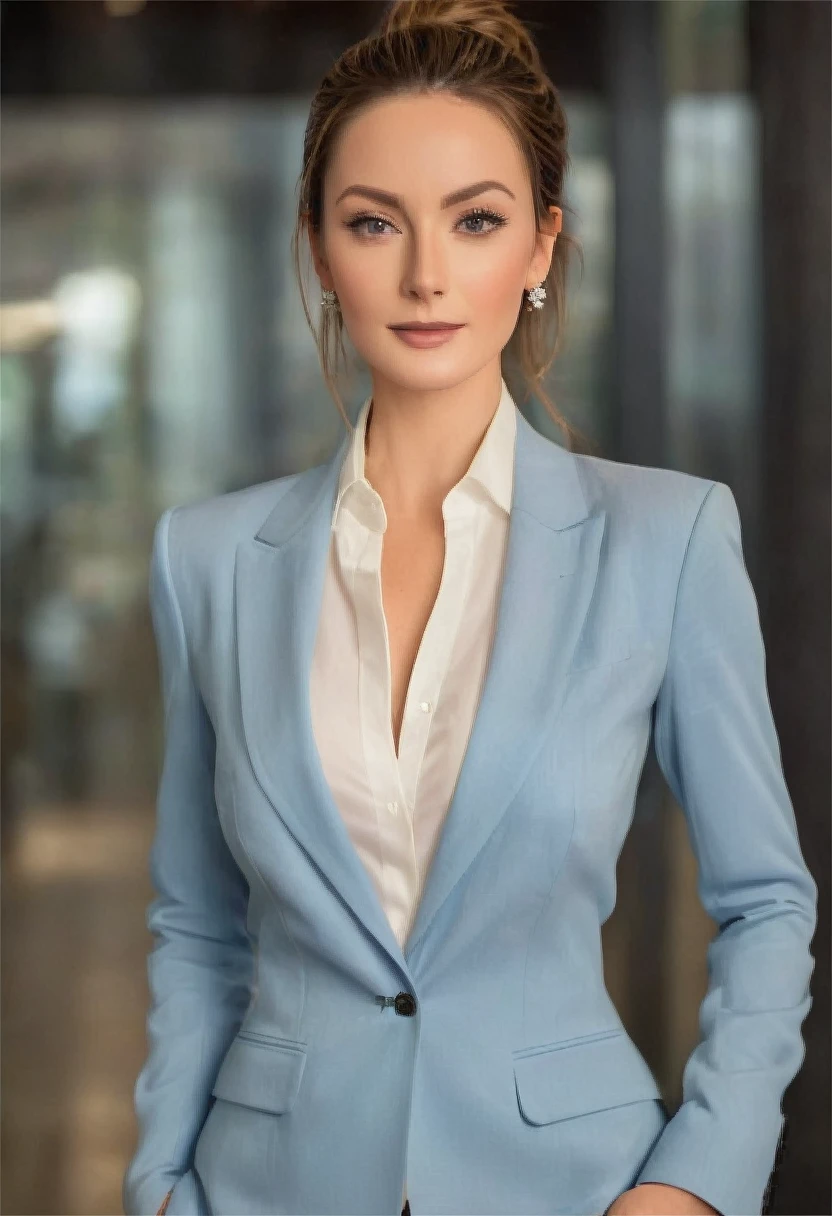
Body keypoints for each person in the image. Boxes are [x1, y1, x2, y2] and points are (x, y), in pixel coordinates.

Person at [123, 1, 818, 1214]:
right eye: (373, 222)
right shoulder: (209, 557)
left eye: (477, 219)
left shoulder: (667, 540)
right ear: (319, 244)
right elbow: (197, 925)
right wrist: (160, 1185)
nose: (426, 274)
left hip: (573, 1184)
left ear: (543, 243)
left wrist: (698, 1181)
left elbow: (766, 901)